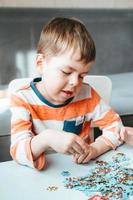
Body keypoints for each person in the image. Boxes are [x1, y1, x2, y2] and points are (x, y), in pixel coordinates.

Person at [10, 17, 123, 170]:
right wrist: (46, 139)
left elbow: (116, 129)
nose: (75, 82)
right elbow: (17, 151)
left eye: (82, 75)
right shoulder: (22, 99)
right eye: (66, 72)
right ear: (40, 64)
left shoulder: (87, 94)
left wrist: (96, 149)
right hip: (43, 174)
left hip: (83, 173)